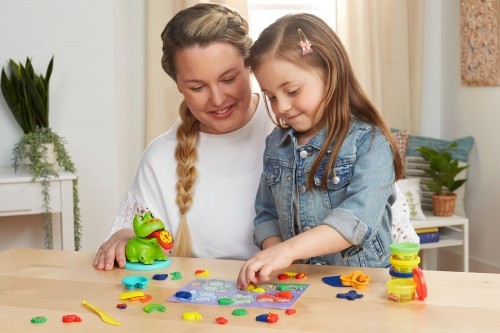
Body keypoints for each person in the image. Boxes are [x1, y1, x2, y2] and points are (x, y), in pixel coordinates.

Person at [93, 3, 275, 270]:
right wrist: (126, 239)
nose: (217, 98)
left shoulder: (288, 128)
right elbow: (140, 243)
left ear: (249, 66)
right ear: (178, 85)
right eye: (198, 87)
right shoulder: (161, 158)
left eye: (228, 79)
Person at [237, 13, 406, 289]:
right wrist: (274, 256)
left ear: (331, 73)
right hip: (302, 286)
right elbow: (267, 215)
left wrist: (288, 250)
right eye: (271, 97)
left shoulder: (370, 142)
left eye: (292, 91)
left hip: (364, 287)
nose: (281, 108)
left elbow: (356, 220)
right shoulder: (276, 145)